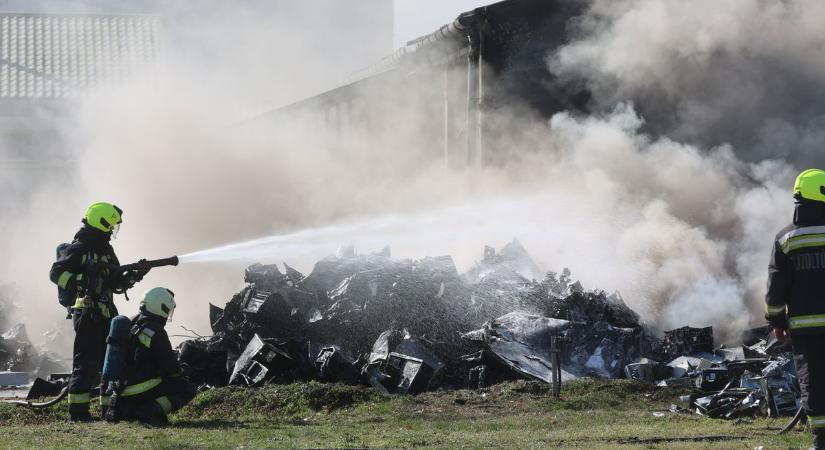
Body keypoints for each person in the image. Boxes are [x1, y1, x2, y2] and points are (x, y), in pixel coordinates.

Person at [50, 202, 146, 421]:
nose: (113, 231)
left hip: (106, 313)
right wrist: (82, 281)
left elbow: (117, 284)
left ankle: (107, 410)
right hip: (86, 311)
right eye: (111, 226)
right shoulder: (78, 248)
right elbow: (56, 273)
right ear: (101, 223)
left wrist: (135, 275)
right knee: (86, 363)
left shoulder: (106, 251)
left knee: (110, 361)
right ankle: (78, 413)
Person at [766, 168, 825, 450]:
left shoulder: (785, 239)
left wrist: (776, 321)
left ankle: (821, 442)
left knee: (813, 384)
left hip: (805, 329)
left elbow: (776, 287)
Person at [110, 287, 196, 426]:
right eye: (167, 310)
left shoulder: (131, 322)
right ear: (159, 306)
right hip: (141, 388)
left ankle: (135, 410)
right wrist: (182, 371)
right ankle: (150, 410)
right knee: (187, 388)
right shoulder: (156, 330)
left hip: (122, 391)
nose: (167, 315)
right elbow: (171, 368)